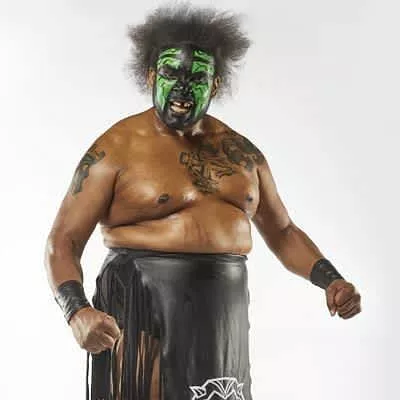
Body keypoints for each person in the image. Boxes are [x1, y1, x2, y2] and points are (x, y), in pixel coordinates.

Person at [44, 4, 362, 400]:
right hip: (141, 309)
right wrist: (76, 311)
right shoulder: (116, 148)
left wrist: (331, 280)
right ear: (150, 76)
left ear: (215, 85)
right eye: (170, 74)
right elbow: (63, 241)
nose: (181, 88)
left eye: (196, 77)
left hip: (223, 315)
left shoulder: (242, 154)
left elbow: (282, 232)